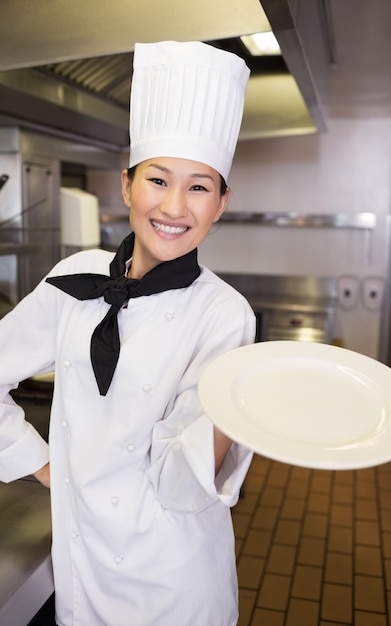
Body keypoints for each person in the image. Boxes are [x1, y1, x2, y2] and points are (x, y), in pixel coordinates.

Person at [0, 41, 255, 626]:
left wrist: (243, 411)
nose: (174, 205)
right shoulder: (73, 279)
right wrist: (37, 460)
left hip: (173, 579)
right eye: (158, 180)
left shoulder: (224, 313)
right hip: (81, 565)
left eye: (198, 187)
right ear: (126, 186)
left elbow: (181, 484)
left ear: (220, 205)